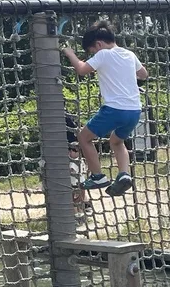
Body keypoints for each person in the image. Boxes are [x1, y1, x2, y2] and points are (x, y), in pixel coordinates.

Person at [62, 21, 148, 196]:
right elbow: (143, 74)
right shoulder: (129, 54)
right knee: (117, 141)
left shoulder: (104, 55)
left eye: (92, 52)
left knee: (84, 138)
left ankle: (97, 176)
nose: (93, 55)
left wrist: (69, 53)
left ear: (99, 45)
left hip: (114, 109)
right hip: (134, 111)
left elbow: (81, 69)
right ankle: (124, 174)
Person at [68, 142, 90, 214]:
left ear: (79, 153)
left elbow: (72, 171)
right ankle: (82, 210)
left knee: (74, 201)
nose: (71, 151)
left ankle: (77, 213)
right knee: (80, 199)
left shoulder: (74, 162)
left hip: (76, 184)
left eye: (74, 150)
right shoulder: (80, 160)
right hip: (81, 183)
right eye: (70, 149)